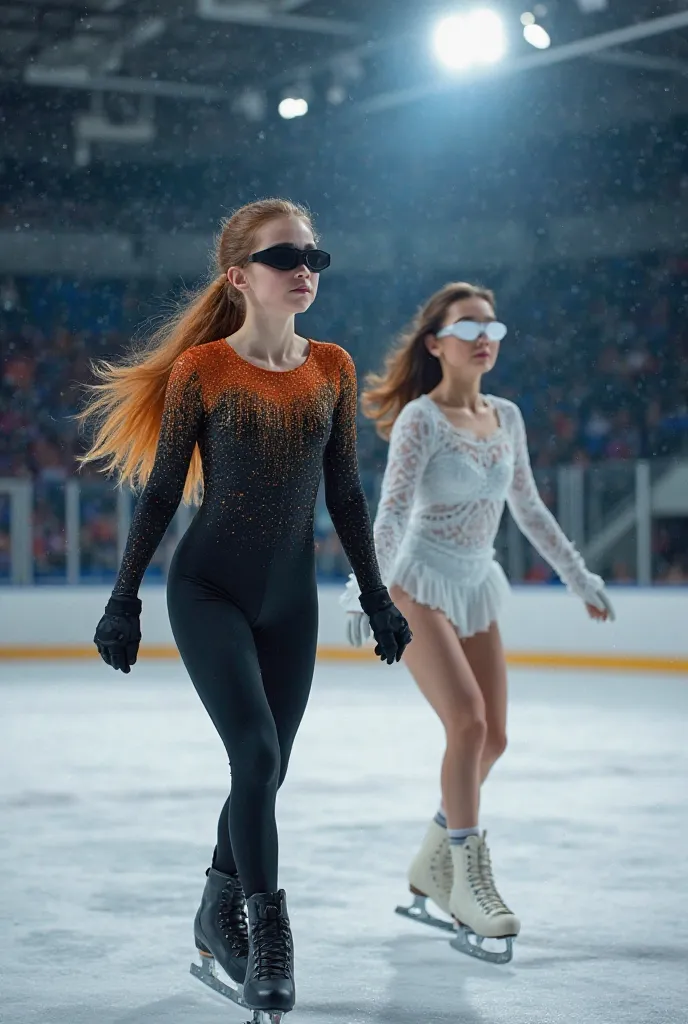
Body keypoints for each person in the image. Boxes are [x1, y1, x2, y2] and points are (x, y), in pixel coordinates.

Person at [77, 198, 412, 1019]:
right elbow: (160, 495)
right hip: (209, 592)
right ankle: (266, 938)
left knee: (267, 770)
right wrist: (124, 601)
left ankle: (213, 904)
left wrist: (377, 596)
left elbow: (344, 494)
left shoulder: (331, 367)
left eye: (314, 257)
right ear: (239, 277)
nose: (305, 268)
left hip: (289, 602)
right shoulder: (203, 371)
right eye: (284, 257)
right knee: (257, 760)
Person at [341, 281, 614, 963]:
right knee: (466, 722)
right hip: (415, 584)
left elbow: (528, 508)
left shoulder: (508, 418)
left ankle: (433, 858)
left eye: (492, 327)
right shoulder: (420, 421)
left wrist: (579, 574)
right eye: (468, 328)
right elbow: (394, 513)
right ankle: (467, 877)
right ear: (436, 344)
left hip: (474, 583)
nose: (484, 338)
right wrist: (363, 590)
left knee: (493, 741)